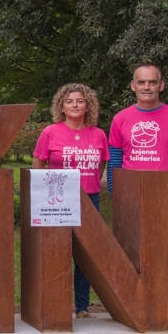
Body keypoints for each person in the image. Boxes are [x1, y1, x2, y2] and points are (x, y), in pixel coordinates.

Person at [108, 65, 168, 333]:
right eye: (142, 82)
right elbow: (114, 161)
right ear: (133, 85)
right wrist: (118, 195)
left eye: (153, 82)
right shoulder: (121, 119)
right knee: (133, 257)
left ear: (162, 85)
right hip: (134, 200)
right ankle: (135, 309)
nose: (147, 87)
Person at [32, 83, 109, 319]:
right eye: (69, 101)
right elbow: (38, 165)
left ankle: (82, 306)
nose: (75, 105)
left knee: (85, 256)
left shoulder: (98, 134)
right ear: (62, 107)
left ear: (88, 106)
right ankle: (55, 305)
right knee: (57, 253)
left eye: (80, 101)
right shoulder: (50, 133)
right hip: (58, 202)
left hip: (90, 199)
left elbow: (102, 165)